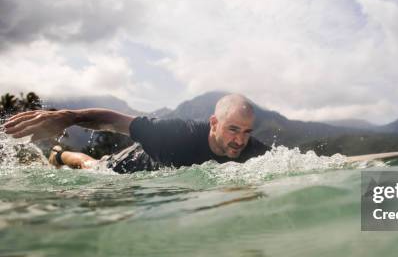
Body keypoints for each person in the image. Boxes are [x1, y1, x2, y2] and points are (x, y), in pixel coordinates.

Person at [2, 94, 270, 173]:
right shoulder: (178, 133)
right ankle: (60, 155)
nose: (239, 140)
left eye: (246, 131)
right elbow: (116, 121)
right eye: (233, 129)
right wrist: (69, 117)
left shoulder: (252, 149)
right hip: (134, 165)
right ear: (214, 123)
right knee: (95, 167)